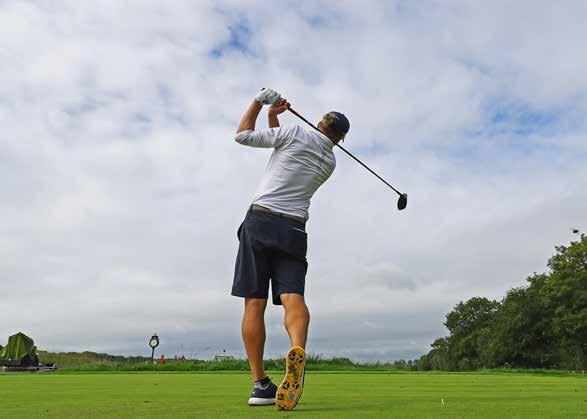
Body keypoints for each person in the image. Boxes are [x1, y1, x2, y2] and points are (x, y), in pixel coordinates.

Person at [231, 88, 350, 410]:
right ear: (340, 139)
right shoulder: (330, 161)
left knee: (254, 303)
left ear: (319, 123)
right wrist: (275, 117)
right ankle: (297, 349)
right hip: (294, 229)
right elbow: (281, 144)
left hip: (261, 221)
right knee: (292, 297)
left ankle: (260, 385)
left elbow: (243, 136)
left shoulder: (296, 132)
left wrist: (259, 102)